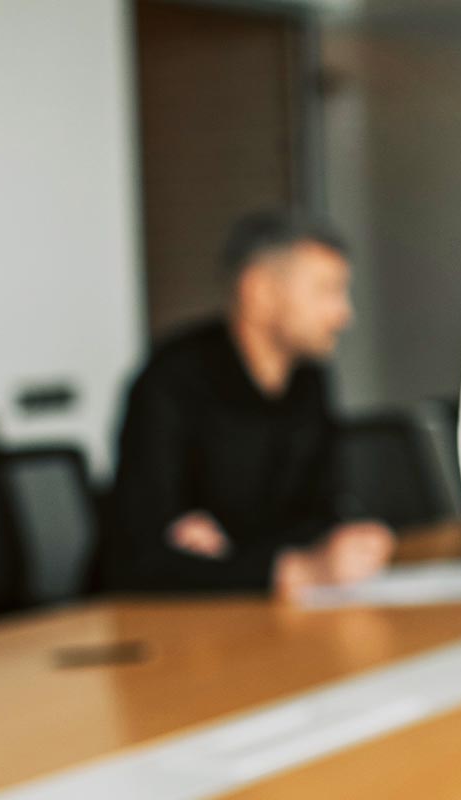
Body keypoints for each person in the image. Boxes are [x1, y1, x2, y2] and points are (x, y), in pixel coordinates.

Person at [101, 210, 395, 597]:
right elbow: (140, 556)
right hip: (157, 619)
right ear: (259, 290)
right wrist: (288, 569)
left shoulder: (310, 380)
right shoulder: (171, 380)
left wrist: (346, 539)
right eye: (326, 291)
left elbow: (321, 510)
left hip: (264, 609)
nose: (344, 314)